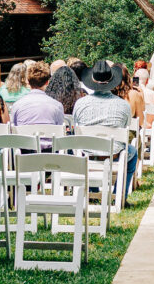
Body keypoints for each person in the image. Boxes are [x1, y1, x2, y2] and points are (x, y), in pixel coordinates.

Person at [72, 60, 137, 192]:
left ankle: (93, 190)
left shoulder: (80, 103)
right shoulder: (123, 105)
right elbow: (125, 129)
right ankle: (119, 194)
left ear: (92, 81)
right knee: (132, 152)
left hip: (87, 151)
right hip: (113, 152)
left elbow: (75, 126)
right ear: (112, 81)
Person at [12, 61, 65, 127]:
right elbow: (60, 131)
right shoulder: (57, 106)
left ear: (27, 82)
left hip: (26, 136)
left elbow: (13, 130)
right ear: (47, 82)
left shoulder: (17, 105)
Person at [115, 62, 146, 130]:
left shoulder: (107, 94)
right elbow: (141, 122)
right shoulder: (134, 94)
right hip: (127, 136)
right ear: (127, 76)